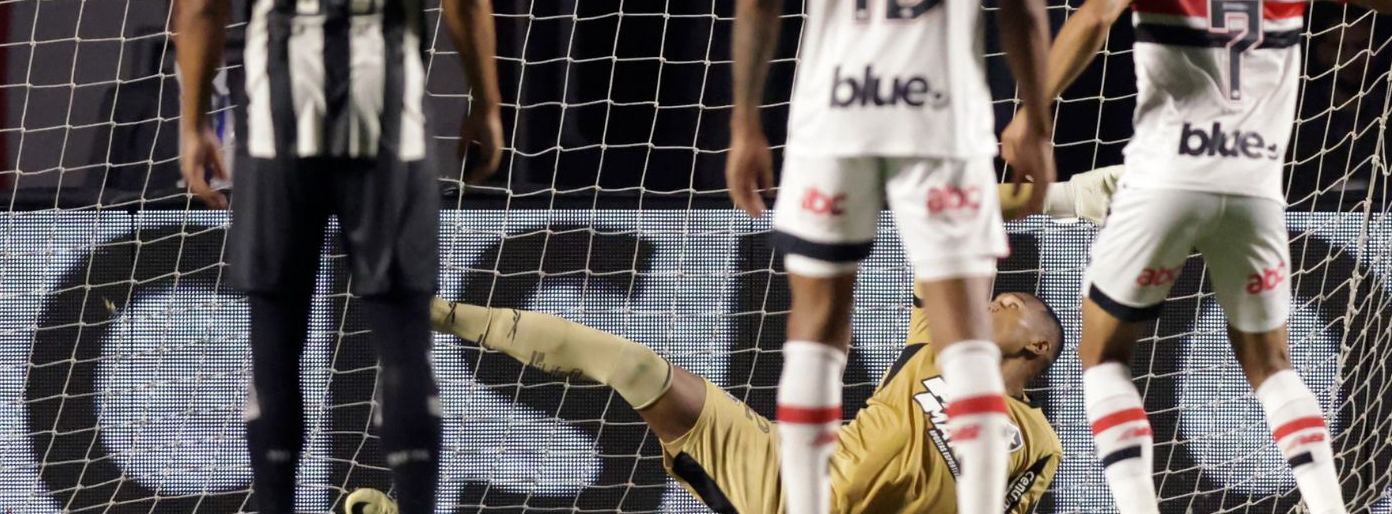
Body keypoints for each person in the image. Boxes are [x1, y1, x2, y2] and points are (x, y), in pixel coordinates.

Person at [1000, 0, 1392, 514]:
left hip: (1163, 181)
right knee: (1272, 367)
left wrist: (1032, 113)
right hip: (1253, 188)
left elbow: (1096, 18)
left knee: (1103, 356)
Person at [724, 0, 1056, 514]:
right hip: (941, 111)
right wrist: (1035, 117)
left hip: (835, 108)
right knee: (964, 328)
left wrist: (745, 123)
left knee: (817, 323)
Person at [176, 0, 505, 514]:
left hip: (277, 114)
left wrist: (192, 121)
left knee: (274, 339)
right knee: (402, 339)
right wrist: (485, 103)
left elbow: (204, 0)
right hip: (385, 110)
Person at [344, 172, 1123, 514]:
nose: (993, 298)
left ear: (1036, 348)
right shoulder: (940, 343)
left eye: (1011, 302)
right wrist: (1061, 196)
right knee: (635, 365)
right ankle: (436, 314)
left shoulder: (1038, 440)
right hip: (787, 468)